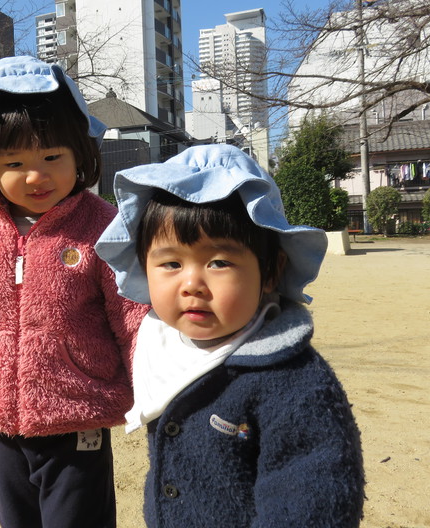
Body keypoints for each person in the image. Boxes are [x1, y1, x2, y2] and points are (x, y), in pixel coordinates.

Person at [0, 56, 149, 528]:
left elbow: (133, 315)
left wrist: (155, 385)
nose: (35, 176)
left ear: (81, 153)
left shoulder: (102, 225)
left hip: (78, 412)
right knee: (17, 519)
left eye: (52, 158)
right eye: (14, 163)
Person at [95, 144, 365, 528]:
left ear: (271, 271)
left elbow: (313, 503)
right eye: (171, 263)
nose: (192, 284)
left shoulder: (293, 383)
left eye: (219, 262)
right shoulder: (161, 343)